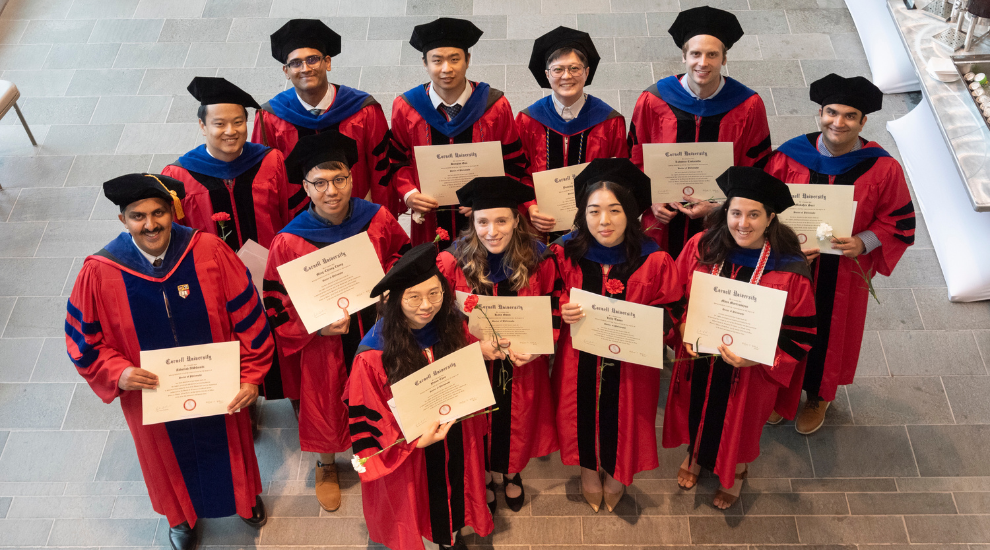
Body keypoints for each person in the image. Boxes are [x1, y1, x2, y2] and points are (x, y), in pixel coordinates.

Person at [65, 174, 273, 550]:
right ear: (123, 221)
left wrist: (251, 375)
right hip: (151, 396)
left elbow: (249, 315)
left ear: (172, 212)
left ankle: (241, 500)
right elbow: (83, 340)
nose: (150, 225)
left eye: (158, 212)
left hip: (218, 386)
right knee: (164, 461)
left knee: (230, 445)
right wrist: (120, 372)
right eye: (138, 216)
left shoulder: (207, 249)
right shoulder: (100, 271)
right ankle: (181, 518)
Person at [263, 131, 410, 512]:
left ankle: (383, 449)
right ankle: (326, 464)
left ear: (350, 178)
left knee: (382, 391)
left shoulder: (376, 217)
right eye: (320, 182)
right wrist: (313, 326)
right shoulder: (289, 240)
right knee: (327, 400)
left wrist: (395, 287)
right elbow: (276, 302)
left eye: (340, 179)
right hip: (325, 341)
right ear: (305, 187)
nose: (332, 190)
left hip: (377, 331)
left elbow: (401, 254)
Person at [764, 74, 915, 435]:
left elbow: (899, 220)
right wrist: (782, 242)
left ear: (864, 122)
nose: (839, 122)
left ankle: (819, 395)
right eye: (832, 112)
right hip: (791, 265)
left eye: (850, 116)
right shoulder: (788, 157)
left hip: (843, 272)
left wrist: (864, 241)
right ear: (820, 113)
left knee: (830, 333)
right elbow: (761, 209)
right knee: (782, 325)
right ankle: (779, 390)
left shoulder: (882, 168)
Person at [662, 167, 817, 510]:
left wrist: (760, 356)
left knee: (741, 421)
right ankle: (697, 455)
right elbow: (673, 291)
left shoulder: (788, 267)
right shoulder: (702, 245)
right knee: (696, 405)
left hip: (751, 369)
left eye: (753, 215)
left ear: (770, 218)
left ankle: (738, 469)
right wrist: (683, 325)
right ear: (725, 212)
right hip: (699, 354)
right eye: (735, 213)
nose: (742, 223)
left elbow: (801, 330)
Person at [549, 158, 683, 513]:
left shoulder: (653, 260)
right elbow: (546, 294)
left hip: (632, 364)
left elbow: (673, 308)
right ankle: (588, 470)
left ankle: (618, 473)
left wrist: (650, 325)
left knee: (627, 412)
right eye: (593, 211)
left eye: (614, 210)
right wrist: (561, 307)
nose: (603, 221)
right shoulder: (564, 251)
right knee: (577, 409)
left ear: (632, 213)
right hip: (576, 358)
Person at [346, 243, 493, 550]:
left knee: (455, 486)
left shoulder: (452, 326)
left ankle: (450, 535)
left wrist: (479, 352)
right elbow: (369, 419)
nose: (426, 305)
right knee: (415, 505)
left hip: (454, 435)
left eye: (435, 293)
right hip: (410, 453)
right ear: (395, 300)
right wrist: (413, 442)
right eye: (413, 297)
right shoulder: (372, 355)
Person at [436, 176, 559, 514]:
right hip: (473, 363)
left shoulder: (541, 260)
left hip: (522, 365)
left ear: (517, 220)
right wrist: (472, 348)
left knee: (516, 421)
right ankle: (487, 476)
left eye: (502, 220)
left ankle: (512, 473)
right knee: (478, 421)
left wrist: (538, 347)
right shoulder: (451, 262)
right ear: (472, 223)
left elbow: (555, 311)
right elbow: (441, 320)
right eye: (483, 222)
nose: (492, 231)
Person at [628, 6, 772, 258]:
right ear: (684, 56)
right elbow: (635, 155)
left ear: (724, 59)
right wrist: (651, 198)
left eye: (712, 54)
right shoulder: (653, 99)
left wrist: (720, 206)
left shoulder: (748, 105)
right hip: (662, 220)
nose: (702, 63)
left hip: (720, 223)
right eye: (695, 54)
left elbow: (755, 166)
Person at [389, 17, 530, 246]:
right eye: (437, 60)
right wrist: (410, 194)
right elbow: (396, 159)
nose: (447, 69)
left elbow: (513, 160)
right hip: (431, 219)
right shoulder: (406, 108)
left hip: (485, 221)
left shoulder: (495, 105)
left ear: (468, 60)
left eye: (455, 59)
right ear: (425, 63)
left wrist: (491, 198)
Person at [253, 19, 397, 219]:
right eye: (295, 63)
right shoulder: (270, 117)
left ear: (327, 62)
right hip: (298, 221)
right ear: (286, 72)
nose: (305, 68)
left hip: (358, 216)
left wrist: (382, 218)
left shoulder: (363, 109)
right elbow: (264, 179)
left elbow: (381, 167)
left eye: (312, 59)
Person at [515, 26, 628, 237]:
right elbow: (519, 171)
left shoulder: (610, 121)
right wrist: (531, 206)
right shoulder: (527, 120)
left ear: (586, 72)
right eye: (558, 69)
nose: (566, 76)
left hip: (594, 227)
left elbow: (619, 176)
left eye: (574, 68)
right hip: (540, 226)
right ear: (547, 75)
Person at [163, 77, 289, 252]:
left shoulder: (270, 161)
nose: (231, 131)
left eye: (238, 122)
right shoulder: (179, 175)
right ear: (203, 126)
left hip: (269, 269)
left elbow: (286, 215)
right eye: (220, 124)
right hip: (212, 271)